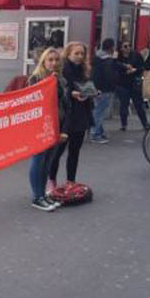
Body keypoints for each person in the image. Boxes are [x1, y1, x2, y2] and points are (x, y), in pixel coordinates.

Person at [47, 42, 93, 196]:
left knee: (74, 152)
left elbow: (87, 89)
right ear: (68, 54)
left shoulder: (84, 70)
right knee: (58, 152)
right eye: (76, 53)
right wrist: (71, 93)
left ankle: (70, 182)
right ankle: (51, 181)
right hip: (65, 117)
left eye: (82, 54)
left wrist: (92, 93)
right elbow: (57, 93)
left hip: (80, 115)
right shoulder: (62, 70)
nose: (80, 57)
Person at [27, 48, 67, 212]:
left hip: (56, 124)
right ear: (43, 61)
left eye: (56, 60)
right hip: (40, 126)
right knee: (39, 159)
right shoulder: (35, 79)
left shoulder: (61, 79)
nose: (54, 63)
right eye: (50, 60)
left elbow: (63, 103)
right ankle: (37, 196)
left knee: (48, 160)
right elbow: (33, 102)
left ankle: (43, 194)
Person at [90, 38, 122, 143]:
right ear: (112, 47)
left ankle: (99, 131)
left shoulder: (98, 57)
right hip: (105, 88)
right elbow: (110, 75)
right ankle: (95, 134)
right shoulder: (108, 60)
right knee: (99, 111)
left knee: (98, 110)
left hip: (97, 87)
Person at [116, 41, 150, 131]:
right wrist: (124, 71)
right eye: (125, 46)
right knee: (124, 105)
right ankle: (124, 124)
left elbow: (142, 67)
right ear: (121, 48)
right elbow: (115, 68)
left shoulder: (136, 55)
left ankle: (145, 124)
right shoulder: (118, 58)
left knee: (139, 105)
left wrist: (135, 70)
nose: (128, 48)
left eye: (129, 45)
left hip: (135, 83)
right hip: (122, 84)